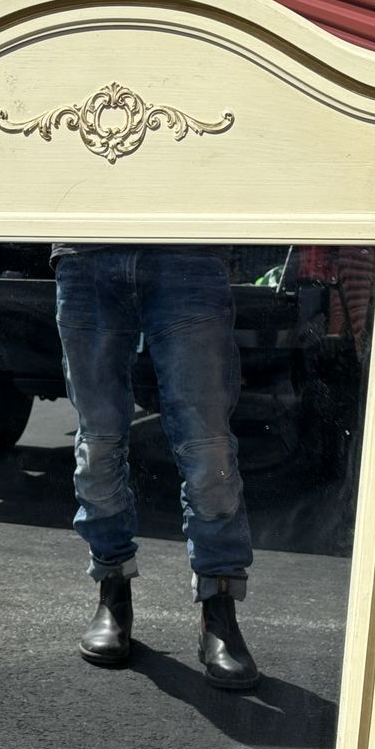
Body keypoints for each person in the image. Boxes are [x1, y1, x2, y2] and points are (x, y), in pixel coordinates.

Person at [52, 242, 259, 690]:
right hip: (85, 244)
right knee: (99, 443)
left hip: (188, 243)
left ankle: (218, 612)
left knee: (209, 449)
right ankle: (113, 591)